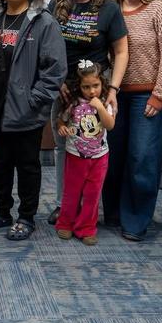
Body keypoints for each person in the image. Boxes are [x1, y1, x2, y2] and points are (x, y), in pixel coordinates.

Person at [0, 0, 67, 241]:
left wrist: (33, 100)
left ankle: (26, 217)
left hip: (26, 110)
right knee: (0, 162)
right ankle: (2, 211)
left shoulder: (43, 22)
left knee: (27, 166)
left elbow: (55, 69)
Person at [47, 0, 128, 225]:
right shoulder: (55, 6)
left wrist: (113, 90)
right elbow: (45, 48)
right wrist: (56, 81)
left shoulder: (109, 9)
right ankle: (64, 204)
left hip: (95, 90)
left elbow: (121, 51)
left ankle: (89, 208)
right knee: (63, 145)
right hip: (63, 90)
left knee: (93, 146)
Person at [102, 0, 162, 241]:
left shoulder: (158, 8)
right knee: (113, 156)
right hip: (115, 95)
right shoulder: (111, 10)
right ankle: (114, 213)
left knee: (142, 158)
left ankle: (135, 220)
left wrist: (160, 95)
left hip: (148, 96)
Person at [55, 61, 115, 246]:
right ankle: (65, 223)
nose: (92, 91)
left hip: (99, 157)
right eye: (86, 87)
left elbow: (110, 125)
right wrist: (62, 127)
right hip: (75, 156)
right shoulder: (73, 104)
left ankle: (86, 228)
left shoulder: (105, 102)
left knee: (92, 194)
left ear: (102, 83)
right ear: (79, 86)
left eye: (95, 85)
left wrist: (100, 107)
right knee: (71, 192)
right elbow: (61, 120)